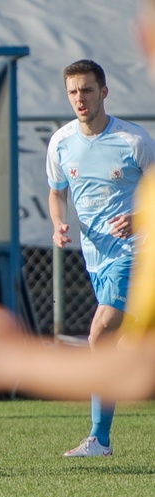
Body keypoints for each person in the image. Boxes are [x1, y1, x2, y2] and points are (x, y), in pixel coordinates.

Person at [45, 59, 155, 457]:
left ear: (103, 92)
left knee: (99, 334)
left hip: (137, 251)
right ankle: (102, 435)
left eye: (87, 90)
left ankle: (99, 439)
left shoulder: (133, 140)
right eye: (73, 91)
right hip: (96, 257)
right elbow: (57, 192)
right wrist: (58, 224)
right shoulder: (61, 142)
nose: (80, 98)